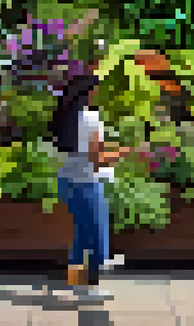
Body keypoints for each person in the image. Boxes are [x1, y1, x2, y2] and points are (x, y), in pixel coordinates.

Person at [50, 74, 131, 303]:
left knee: (80, 236)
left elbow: (78, 152)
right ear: (89, 93)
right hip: (86, 182)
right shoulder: (92, 119)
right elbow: (97, 160)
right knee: (96, 237)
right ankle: (91, 289)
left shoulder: (64, 118)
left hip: (67, 180)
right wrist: (126, 152)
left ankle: (77, 285)